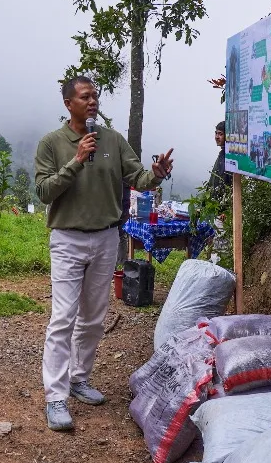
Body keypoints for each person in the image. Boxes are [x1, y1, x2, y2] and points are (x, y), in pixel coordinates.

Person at [34, 76, 172, 432]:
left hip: (107, 237)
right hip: (67, 239)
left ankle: (79, 379)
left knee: (94, 317)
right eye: (85, 97)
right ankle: (55, 396)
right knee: (63, 317)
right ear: (69, 104)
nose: (93, 101)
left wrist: (155, 175)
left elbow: (138, 178)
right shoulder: (52, 143)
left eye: (95, 95)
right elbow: (44, 192)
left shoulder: (112, 139)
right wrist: (77, 160)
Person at [207, 121, 232, 197]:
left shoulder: (230, 157)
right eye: (216, 133)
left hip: (222, 204)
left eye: (220, 134)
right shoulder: (222, 154)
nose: (217, 137)